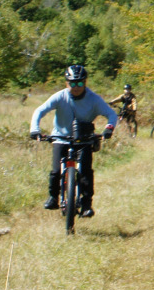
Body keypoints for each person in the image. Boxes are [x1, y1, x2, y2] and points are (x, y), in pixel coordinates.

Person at [29, 64, 118, 218]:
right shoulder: (60, 96)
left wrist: (108, 129)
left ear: (85, 83)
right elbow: (39, 111)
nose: (76, 87)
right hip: (60, 138)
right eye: (72, 83)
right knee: (56, 171)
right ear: (66, 83)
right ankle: (53, 198)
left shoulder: (94, 99)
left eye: (80, 83)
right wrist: (34, 129)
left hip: (84, 140)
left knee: (85, 172)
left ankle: (86, 204)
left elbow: (111, 114)